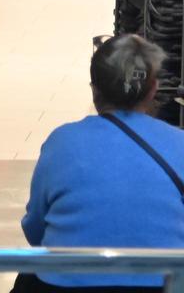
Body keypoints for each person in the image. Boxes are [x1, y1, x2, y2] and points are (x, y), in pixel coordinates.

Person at [16, 34, 184, 293]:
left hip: (67, 284)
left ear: (95, 89)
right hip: (164, 283)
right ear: (153, 88)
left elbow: (35, 230)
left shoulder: (62, 142)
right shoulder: (179, 143)